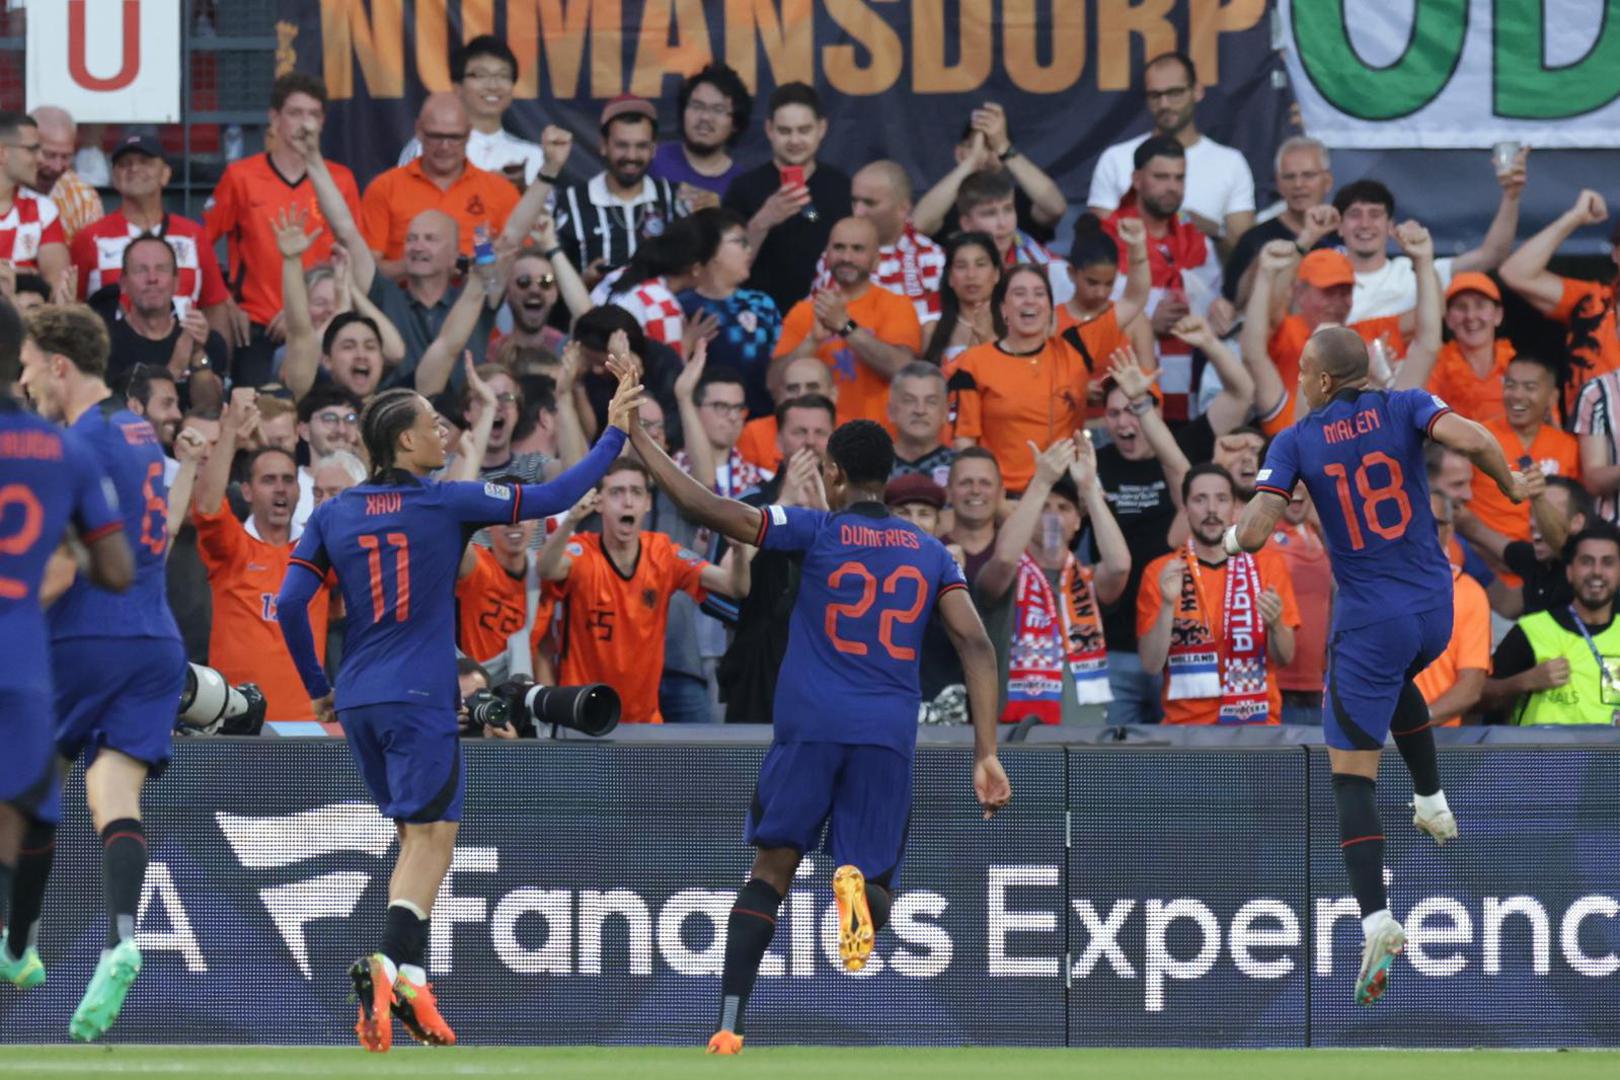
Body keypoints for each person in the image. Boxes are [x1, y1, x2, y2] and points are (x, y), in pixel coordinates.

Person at [274, 364, 643, 1052]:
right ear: (403, 443)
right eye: (429, 423)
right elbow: (557, 493)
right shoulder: (448, 501)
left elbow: (292, 603)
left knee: (416, 836)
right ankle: (387, 962)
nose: (441, 431)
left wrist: (314, 681)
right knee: (436, 833)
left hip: (356, 698)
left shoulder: (333, 512)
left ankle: (411, 978)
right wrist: (615, 430)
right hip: (420, 693)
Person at [623, 411, 1008, 1054]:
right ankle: (854, 889)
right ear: (888, 479)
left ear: (832, 472)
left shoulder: (816, 528)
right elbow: (976, 644)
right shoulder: (931, 551)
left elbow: (708, 506)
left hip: (810, 726)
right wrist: (987, 753)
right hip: (886, 731)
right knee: (876, 880)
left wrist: (639, 438)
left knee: (770, 869)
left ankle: (728, 1024)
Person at [1228, 325, 1526, 1006]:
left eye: (1303, 371)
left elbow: (1250, 534)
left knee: (1350, 780)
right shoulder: (1405, 405)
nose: (1299, 379)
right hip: (1435, 607)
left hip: (1369, 622)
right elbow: (1477, 440)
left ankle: (1376, 919)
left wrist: (1231, 531)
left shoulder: (1297, 439)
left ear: (1325, 381)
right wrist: (1510, 489)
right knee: (1396, 685)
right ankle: (1432, 798)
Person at [9, 304, 187, 1039]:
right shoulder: (139, 431)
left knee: (26, 786)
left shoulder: (71, 444)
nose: (22, 383)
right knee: (112, 792)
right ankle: (120, 936)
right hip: (156, 639)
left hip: (83, 634)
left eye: (27, 369)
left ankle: (18, 946)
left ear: (58, 365)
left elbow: (58, 561)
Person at [0, 299, 132, 1000]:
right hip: (21, 656)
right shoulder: (66, 449)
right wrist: (63, 546)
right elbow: (117, 570)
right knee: (14, 817)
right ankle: (14, 947)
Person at [293, 118, 564, 384]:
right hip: (395, 419)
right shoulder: (383, 295)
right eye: (411, 239)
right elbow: (346, 230)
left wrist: (549, 170)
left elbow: (512, 236)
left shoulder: (475, 294)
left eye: (430, 239)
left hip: (462, 422)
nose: (417, 246)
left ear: (454, 253)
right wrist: (314, 159)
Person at [1092, 339, 1253, 721]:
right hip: (1116, 645)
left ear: (1156, 411)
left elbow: (1242, 392)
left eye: (1133, 410)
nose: (1124, 423)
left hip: (1186, 650)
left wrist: (1207, 340)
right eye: (1113, 414)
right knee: (1112, 772)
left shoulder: (1184, 443)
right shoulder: (1095, 463)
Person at [538, 457, 747, 723]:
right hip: (582, 716)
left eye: (636, 492)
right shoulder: (581, 552)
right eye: (616, 492)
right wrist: (569, 523)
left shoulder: (663, 554)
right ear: (598, 503)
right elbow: (545, 569)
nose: (627, 502)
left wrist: (739, 551)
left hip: (643, 719)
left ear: (647, 503)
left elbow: (735, 586)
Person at [205, 73, 363, 387]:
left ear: (323, 122)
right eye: (295, 113)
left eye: (313, 115)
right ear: (274, 118)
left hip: (324, 324)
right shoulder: (241, 176)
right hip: (260, 324)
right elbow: (201, 242)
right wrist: (225, 301)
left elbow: (353, 254)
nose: (305, 124)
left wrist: (300, 311)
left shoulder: (340, 180)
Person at [191, 388, 328, 723]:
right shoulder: (233, 548)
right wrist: (229, 435)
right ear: (247, 491)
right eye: (269, 480)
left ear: (300, 489)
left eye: (288, 480)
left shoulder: (319, 552)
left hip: (304, 729)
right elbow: (207, 508)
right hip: (237, 725)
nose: (281, 488)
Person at [977, 435, 1131, 724]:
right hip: (1015, 733)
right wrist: (1041, 482)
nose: (1052, 516)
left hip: (1085, 732)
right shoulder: (1006, 576)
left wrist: (1089, 489)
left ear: (1077, 521)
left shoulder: (1088, 579)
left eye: (1064, 508)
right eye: (1044, 507)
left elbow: (1120, 566)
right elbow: (1005, 558)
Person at [1138, 463, 1300, 725]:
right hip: (1186, 728)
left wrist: (1276, 624)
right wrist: (1168, 604)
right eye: (1200, 499)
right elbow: (1151, 664)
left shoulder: (1268, 564)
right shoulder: (1161, 571)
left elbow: (1284, 658)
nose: (1211, 510)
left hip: (1257, 724)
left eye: (1221, 499)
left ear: (1236, 509)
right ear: (1185, 509)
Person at [714, 394, 835, 727]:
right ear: (780, 439)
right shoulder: (749, 504)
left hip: (830, 664)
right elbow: (721, 586)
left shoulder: (849, 511)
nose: (810, 442)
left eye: (819, 433)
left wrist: (824, 513)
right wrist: (784, 504)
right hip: (759, 666)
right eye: (799, 432)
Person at [1102, 136, 1222, 420]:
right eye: (1161, 177)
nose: (1172, 187)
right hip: (1130, 404)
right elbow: (1089, 321)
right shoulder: (1107, 237)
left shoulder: (1197, 239)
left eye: (1179, 178)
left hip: (1193, 394)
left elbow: (1215, 307)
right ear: (1137, 179)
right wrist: (1145, 325)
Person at [1088, 52, 1256, 252]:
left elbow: (1244, 254)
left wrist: (1205, 228)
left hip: (1207, 279)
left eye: (1175, 93)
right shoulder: (1116, 159)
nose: (1164, 104)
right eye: (1155, 96)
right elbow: (1098, 247)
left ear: (1197, 91)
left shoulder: (1231, 163)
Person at [947, 264, 1087, 493]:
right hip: (1001, 494)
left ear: (1050, 309)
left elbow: (1078, 434)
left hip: (1061, 496)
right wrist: (992, 501)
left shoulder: (1072, 357)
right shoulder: (974, 363)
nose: (1029, 301)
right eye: (1019, 294)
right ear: (1003, 309)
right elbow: (965, 442)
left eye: (1039, 294)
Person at [71, 135, 229, 331]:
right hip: (114, 359)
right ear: (114, 177)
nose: (134, 169)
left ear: (165, 174)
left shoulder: (193, 235)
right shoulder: (89, 239)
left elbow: (214, 306)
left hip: (183, 357)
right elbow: (74, 307)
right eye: (124, 164)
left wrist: (216, 359)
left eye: (145, 162)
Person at [1335, 162, 1527, 324]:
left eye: (1375, 214)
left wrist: (1511, 196)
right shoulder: (1321, 277)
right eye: (1354, 215)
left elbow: (1491, 255)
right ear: (1340, 226)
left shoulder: (1419, 272)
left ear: (1390, 226)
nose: (1365, 224)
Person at [774, 216, 921, 428]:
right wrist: (811, 342)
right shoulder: (804, 311)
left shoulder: (897, 306)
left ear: (876, 260)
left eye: (857, 249)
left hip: (877, 439)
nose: (846, 257)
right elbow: (774, 384)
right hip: (816, 441)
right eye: (839, 247)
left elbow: (902, 370)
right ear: (827, 255)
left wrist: (845, 326)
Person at [722, 83, 853, 314]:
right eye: (785, 131)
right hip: (758, 320)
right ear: (769, 129)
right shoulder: (744, 188)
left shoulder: (842, 187)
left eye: (804, 130)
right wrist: (762, 222)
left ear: (821, 129)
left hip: (826, 318)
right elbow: (722, 270)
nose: (794, 140)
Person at [360, 92, 524, 277]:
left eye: (454, 137)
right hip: (401, 300)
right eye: (435, 136)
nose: (445, 146)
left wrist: (479, 266)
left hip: (478, 297)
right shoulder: (385, 188)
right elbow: (365, 269)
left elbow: (520, 263)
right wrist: (421, 265)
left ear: (469, 134)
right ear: (419, 131)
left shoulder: (500, 191)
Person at [1481, 523, 1620, 726]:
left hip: (1610, 757)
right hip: (1544, 756)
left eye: (1607, 563)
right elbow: (1477, 696)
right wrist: (1524, 681)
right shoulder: (1533, 630)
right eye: (1586, 562)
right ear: (1570, 571)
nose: (1597, 572)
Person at [1500, 190, 1620, 418]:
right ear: (1616, 253)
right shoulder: (1591, 300)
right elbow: (1514, 273)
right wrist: (1574, 217)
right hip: (1584, 444)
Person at [1462, 354, 1580, 567]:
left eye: (1530, 387)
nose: (1517, 395)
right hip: (1484, 562)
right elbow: (1456, 504)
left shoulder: (1568, 446)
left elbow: (1574, 516)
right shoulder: (1478, 437)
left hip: (1547, 566)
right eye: (1510, 385)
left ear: (1552, 397)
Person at [554, 95, 683, 283]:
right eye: (622, 145)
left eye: (641, 146)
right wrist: (584, 282)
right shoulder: (571, 202)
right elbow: (551, 282)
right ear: (603, 145)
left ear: (654, 149)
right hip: (592, 311)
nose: (631, 156)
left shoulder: (674, 199)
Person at [395, 36, 544, 186]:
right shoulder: (428, 147)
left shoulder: (532, 155)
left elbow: (546, 208)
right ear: (457, 87)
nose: (493, 85)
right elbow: (406, 204)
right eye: (480, 75)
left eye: (503, 76)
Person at [911, 102, 1067, 243]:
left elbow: (1056, 208)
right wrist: (971, 163)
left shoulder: (1017, 201)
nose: (985, 156)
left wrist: (1003, 147)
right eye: (979, 146)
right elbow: (918, 224)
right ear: (959, 153)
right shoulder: (944, 205)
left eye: (992, 147)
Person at [678, 207, 782, 418]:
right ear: (711, 250)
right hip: (700, 426)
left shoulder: (762, 304)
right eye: (739, 242)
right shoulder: (680, 306)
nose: (749, 250)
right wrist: (685, 344)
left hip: (760, 424)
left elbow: (780, 370)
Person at [812, 161, 944, 324]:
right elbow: (813, 327)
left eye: (869, 203)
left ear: (903, 208)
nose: (858, 212)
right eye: (854, 201)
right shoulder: (834, 256)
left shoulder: (931, 258)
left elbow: (933, 338)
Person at [104, 235, 230, 391]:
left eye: (161, 269)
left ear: (176, 282)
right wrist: (175, 368)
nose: (152, 278)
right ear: (123, 283)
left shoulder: (206, 340)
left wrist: (198, 354)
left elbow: (211, 410)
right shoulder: (103, 346)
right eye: (141, 270)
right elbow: (120, 411)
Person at [1222, 136, 1334, 307]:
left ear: (1327, 181)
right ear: (1278, 184)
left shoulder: (1347, 234)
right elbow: (1233, 304)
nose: (1298, 184)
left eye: (1308, 175)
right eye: (1289, 177)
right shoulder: (1254, 240)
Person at [1412, 492, 1491, 727]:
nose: (1427, 533)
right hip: (1373, 740)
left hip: (1439, 741)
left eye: (1436, 524)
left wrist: (1413, 724)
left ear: (1450, 529)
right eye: (1419, 522)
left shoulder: (1470, 593)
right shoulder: (1375, 584)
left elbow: (1470, 687)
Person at [454, 519, 551, 686]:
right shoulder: (476, 565)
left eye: (524, 514)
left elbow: (543, 651)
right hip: (471, 691)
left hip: (520, 695)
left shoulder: (545, 575)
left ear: (536, 520)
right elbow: (455, 535)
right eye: (506, 515)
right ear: (487, 522)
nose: (515, 523)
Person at [952, 170, 1071, 305]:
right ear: (966, 224)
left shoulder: (1052, 270)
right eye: (990, 214)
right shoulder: (947, 272)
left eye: (1008, 209)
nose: (1003, 223)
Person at [1270, 485, 1333, 725]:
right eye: (1291, 479)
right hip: (1280, 686)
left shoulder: (1318, 534)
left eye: (1304, 480)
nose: (1297, 488)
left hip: (1321, 687)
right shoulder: (1261, 539)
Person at [1057, 214, 1150, 369]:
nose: (1101, 292)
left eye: (1109, 283)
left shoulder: (1134, 320)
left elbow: (1149, 383)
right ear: (1071, 273)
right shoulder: (1050, 322)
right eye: (1092, 283)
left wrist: (1137, 246)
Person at [651, 63, 751, 204]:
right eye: (697, 106)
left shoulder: (741, 185)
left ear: (735, 123)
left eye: (718, 109)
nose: (705, 117)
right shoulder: (653, 161)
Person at [1424, 272, 1515, 424]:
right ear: (1448, 319)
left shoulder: (1519, 368)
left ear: (1498, 314)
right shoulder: (1433, 369)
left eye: (1480, 305)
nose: (1471, 316)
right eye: (1461, 307)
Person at [0, 112, 68, 286]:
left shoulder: (44, 209)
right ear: (2, 153)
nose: (40, 158)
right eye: (32, 149)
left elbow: (57, 288)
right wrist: (23, 275)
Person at [735, 354, 832, 472]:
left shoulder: (849, 431)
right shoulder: (753, 433)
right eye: (792, 388)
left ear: (834, 394)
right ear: (778, 395)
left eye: (812, 387)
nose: (802, 394)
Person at [920, 231, 1001, 367]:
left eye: (980, 264)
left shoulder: (1014, 325)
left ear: (996, 274)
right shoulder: (930, 330)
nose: (971, 275)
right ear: (950, 278)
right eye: (961, 266)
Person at [293, 385, 363, 529]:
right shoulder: (287, 485)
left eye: (350, 419)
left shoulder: (371, 485)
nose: (341, 430)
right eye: (329, 419)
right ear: (304, 430)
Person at [30, 106, 103, 242]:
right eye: (49, 155)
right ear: (27, 147)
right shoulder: (5, 189)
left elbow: (90, 257)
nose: (57, 167)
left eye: (66, 157)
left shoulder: (82, 197)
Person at [887, 362, 954, 487]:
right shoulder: (871, 468)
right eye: (909, 400)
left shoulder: (961, 471)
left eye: (931, 402)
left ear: (945, 412)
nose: (920, 410)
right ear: (891, 411)